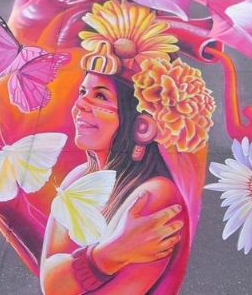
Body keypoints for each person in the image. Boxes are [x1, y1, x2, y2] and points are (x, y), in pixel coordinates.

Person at [39, 19, 203, 294]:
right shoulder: (78, 177)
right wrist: (107, 255)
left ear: (142, 125)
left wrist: (87, 265)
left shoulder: (154, 196)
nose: (80, 104)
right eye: (83, 92)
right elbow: (50, 281)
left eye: (100, 97)